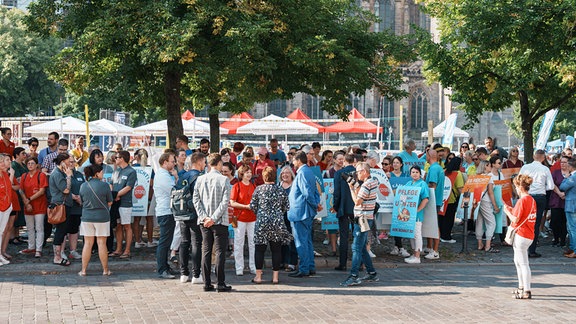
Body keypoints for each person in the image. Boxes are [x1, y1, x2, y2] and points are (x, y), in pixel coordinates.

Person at [193, 153, 233, 292]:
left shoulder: (200, 179)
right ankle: (220, 282)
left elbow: (196, 200)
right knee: (220, 251)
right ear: (219, 163)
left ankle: (206, 282)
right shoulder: (224, 180)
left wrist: (204, 217)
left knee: (206, 250)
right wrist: (213, 218)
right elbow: (225, 202)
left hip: (204, 221)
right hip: (219, 221)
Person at [250, 166, 292, 284]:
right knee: (276, 250)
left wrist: (261, 213)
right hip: (277, 222)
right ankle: (275, 277)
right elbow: (286, 206)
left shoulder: (259, 189)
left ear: (264, 177)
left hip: (262, 222)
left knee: (259, 250)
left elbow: (252, 206)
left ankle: (258, 277)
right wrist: (278, 213)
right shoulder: (280, 190)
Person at [340, 162, 379, 287]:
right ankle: (371, 272)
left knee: (356, 247)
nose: (356, 174)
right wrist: (356, 185)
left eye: (358, 172)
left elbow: (357, 201)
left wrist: (351, 187)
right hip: (367, 217)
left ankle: (354, 275)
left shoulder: (366, 185)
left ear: (364, 172)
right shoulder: (372, 182)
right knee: (362, 248)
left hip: (362, 218)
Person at [287, 151, 320, 278]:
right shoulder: (309, 171)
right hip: (305, 211)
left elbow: (307, 193)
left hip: (301, 212)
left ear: (299, 160)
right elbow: (314, 191)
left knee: (301, 241)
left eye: (294, 160)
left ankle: (304, 268)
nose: (293, 162)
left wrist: (313, 204)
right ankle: (310, 266)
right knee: (307, 241)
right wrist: (315, 204)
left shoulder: (302, 172)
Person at [503, 174, 536, 299]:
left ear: (520, 187)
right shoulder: (531, 200)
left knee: (523, 263)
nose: (515, 189)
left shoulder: (522, 200)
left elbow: (515, 219)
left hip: (521, 234)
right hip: (528, 234)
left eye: (516, 186)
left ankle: (526, 290)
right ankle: (521, 287)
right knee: (519, 261)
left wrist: (507, 212)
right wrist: (511, 209)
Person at [78, 164, 113, 276]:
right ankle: (105, 270)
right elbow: (110, 202)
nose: (103, 174)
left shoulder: (83, 185)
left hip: (87, 217)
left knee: (87, 244)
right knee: (102, 243)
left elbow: (81, 200)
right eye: (101, 172)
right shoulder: (105, 185)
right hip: (102, 217)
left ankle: (83, 270)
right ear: (97, 173)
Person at [519, 149, 554, 258]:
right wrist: (542, 187)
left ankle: (522, 247)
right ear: (543, 158)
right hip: (539, 197)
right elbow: (551, 186)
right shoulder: (545, 169)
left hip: (527, 195)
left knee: (525, 221)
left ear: (534, 157)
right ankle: (532, 250)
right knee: (536, 223)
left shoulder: (525, 167)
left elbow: (518, 181)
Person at [177, 152, 205, 284]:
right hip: (194, 213)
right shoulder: (198, 177)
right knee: (196, 243)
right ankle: (196, 274)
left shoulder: (183, 176)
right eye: (204, 162)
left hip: (182, 212)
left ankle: (183, 273)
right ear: (199, 162)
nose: (204, 164)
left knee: (184, 242)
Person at [153, 152, 178, 279]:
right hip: (165, 211)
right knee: (164, 241)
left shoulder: (165, 175)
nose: (174, 163)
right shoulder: (163, 176)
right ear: (164, 162)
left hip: (168, 211)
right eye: (172, 161)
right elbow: (175, 191)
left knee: (167, 241)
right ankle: (162, 268)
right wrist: (176, 177)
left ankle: (165, 266)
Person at [18, 157, 48, 257]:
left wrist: (29, 200)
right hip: (28, 206)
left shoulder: (41, 175)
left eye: (32, 163)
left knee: (39, 227)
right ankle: (31, 247)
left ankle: (38, 249)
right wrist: (26, 203)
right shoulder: (24, 176)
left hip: (39, 205)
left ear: (36, 165)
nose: (30, 165)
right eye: (28, 163)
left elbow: (42, 191)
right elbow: (21, 190)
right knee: (30, 228)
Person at [230, 164, 257, 276]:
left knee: (253, 243)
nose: (249, 174)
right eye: (247, 172)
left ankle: (253, 265)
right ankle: (239, 267)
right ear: (242, 174)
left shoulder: (254, 186)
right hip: (240, 217)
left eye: (250, 172)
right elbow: (232, 202)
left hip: (252, 218)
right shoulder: (237, 186)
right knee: (238, 243)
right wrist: (245, 206)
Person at [109, 150, 137, 259]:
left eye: (116, 157)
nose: (115, 159)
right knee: (118, 226)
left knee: (127, 226)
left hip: (125, 202)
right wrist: (114, 195)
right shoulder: (116, 171)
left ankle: (127, 250)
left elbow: (129, 187)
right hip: (116, 203)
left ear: (122, 158)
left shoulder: (131, 172)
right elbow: (111, 184)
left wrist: (117, 195)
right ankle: (118, 249)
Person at [48, 153, 74, 266]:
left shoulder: (59, 172)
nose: (70, 163)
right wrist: (68, 176)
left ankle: (57, 255)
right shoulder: (57, 174)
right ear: (62, 162)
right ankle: (57, 257)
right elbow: (66, 190)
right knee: (60, 231)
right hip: (60, 206)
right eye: (68, 161)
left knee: (62, 231)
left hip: (63, 205)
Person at [332, 154, 356, 271]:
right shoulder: (358, 172)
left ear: (345, 161)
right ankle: (359, 262)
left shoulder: (338, 174)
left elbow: (336, 193)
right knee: (358, 235)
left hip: (343, 208)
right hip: (357, 208)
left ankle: (343, 263)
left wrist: (335, 206)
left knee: (344, 236)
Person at [404, 165, 430, 264]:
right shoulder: (409, 183)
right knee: (411, 235)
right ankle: (414, 253)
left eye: (417, 172)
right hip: (408, 214)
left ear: (420, 174)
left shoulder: (422, 184)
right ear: (410, 174)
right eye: (413, 172)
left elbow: (426, 199)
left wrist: (418, 210)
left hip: (417, 215)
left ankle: (417, 256)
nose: (415, 174)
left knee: (417, 234)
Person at [474, 160, 500, 253]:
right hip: (486, 201)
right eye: (489, 166)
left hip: (478, 201)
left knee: (479, 222)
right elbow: (490, 192)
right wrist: (495, 206)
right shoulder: (489, 177)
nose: (491, 167)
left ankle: (479, 243)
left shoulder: (477, 177)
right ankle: (488, 245)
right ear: (485, 166)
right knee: (491, 223)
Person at [388, 156, 411, 257]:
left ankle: (398, 246)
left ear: (401, 164)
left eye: (397, 163)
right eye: (394, 162)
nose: (395, 164)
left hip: (403, 204)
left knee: (401, 224)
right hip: (392, 203)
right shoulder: (389, 175)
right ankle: (399, 246)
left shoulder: (406, 176)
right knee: (395, 224)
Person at [424, 149, 444, 260]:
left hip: (433, 201)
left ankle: (435, 250)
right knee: (431, 224)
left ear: (429, 156)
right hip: (436, 200)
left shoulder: (434, 169)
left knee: (434, 225)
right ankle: (430, 247)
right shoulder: (437, 168)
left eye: (426, 155)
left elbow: (432, 185)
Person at [65, 156, 85, 260]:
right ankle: (61, 251)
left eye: (73, 162)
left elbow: (84, 187)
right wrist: (73, 197)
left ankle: (73, 250)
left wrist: (80, 199)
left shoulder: (79, 174)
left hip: (78, 207)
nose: (71, 164)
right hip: (67, 206)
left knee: (74, 229)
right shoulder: (63, 174)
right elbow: (62, 189)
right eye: (69, 162)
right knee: (64, 230)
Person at [279, 165, 298, 272]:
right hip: (280, 217)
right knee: (281, 240)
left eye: (287, 173)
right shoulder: (278, 186)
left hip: (291, 215)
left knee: (292, 239)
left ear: (292, 174)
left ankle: (292, 262)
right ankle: (282, 261)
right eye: (283, 173)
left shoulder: (294, 186)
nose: (285, 175)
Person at [441, 157, 464, 243]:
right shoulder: (458, 174)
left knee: (442, 218)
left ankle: (441, 234)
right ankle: (446, 236)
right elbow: (460, 189)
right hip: (452, 199)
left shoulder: (444, 171)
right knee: (449, 219)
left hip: (443, 198)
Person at [549, 156, 569, 248]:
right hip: (556, 200)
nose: (563, 164)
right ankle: (556, 238)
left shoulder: (572, 174)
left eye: (565, 162)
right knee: (555, 221)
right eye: (561, 162)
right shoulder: (556, 173)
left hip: (567, 201)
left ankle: (563, 239)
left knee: (564, 221)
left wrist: (565, 193)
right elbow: (552, 184)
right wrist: (559, 193)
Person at [559, 158, 576, 258]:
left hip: (571, 205)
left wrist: (566, 177)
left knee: (572, 229)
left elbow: (562, 187)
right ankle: (572, 247)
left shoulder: (572, 177)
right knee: (571, 228)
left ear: (570, 167)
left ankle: (574, 250)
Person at [0, 154, 15, 266]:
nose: (9, 162)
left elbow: (9, 187)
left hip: (6, 205)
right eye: (7, 160)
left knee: (1, 232)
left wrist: (12, 174)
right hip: (1, 206)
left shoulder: (5, 174)